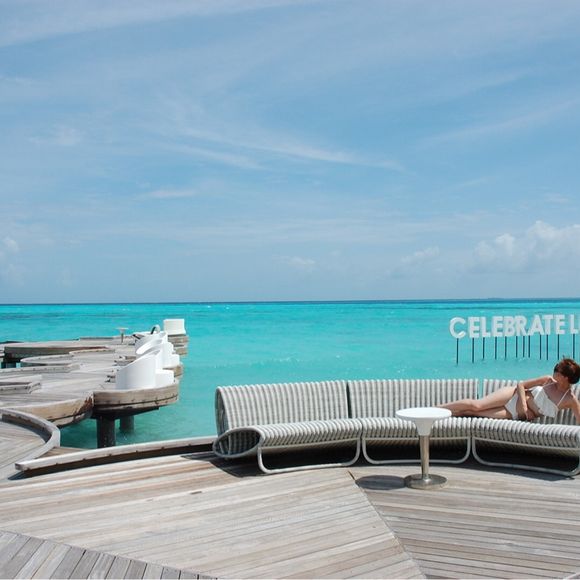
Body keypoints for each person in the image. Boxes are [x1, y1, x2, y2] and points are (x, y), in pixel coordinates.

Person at [440, 357, 580, 422]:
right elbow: (521, 385)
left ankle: (442, 417)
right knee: (476, 406)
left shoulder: (570, 400)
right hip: (512, 395)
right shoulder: (548, 380)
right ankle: (436, 408)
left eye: (557, 370)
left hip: (512, 413)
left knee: (472, 413)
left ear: (565, 377)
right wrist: (525, 407)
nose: (554, 371)